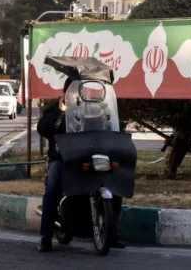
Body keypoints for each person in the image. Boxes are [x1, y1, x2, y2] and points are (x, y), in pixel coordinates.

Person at [37, 78, 124, 252]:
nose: (81, 95)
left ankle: (111, 233)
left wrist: (114, 125)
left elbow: (109, 126)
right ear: (66, 92)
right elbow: (44, 129)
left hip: (88, 156)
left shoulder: (93, 108)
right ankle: (45, 236)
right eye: (75, 91)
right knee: (53, 187)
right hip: (62, 158)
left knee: (115, 186)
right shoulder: (54, 109)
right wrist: (61, 113)